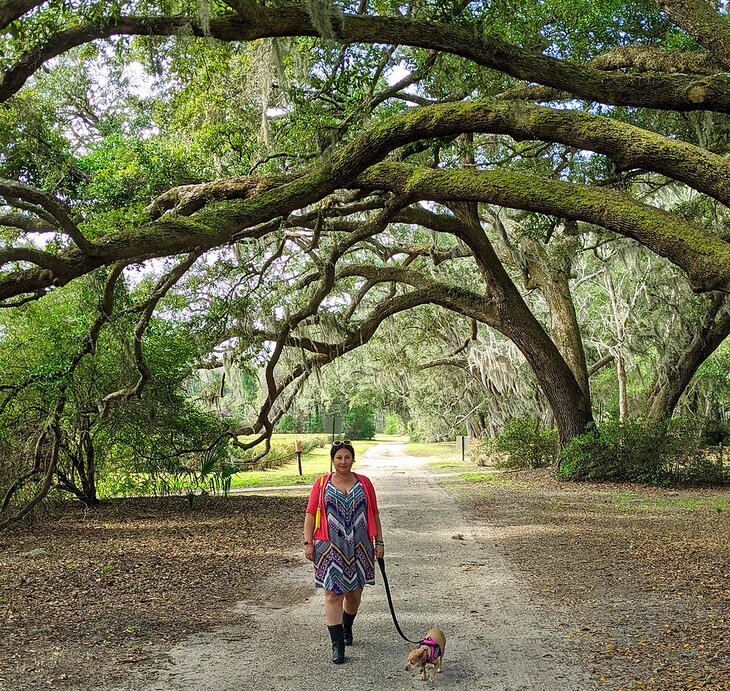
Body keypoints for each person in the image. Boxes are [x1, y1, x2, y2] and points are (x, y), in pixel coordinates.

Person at [304, 440, 385, 664]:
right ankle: (337, 645)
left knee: (354, 594)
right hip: (329, 546)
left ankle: (347, 627)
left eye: (347, 457)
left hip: (360, 546)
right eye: (338, 457)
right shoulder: (321, 484)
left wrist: (380, 542)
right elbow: (311, 514)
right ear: (332, 460)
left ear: (353, 459)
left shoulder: (364, 483)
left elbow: (375, 513)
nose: (343, 461)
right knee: (332, 594)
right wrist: (307, 542)